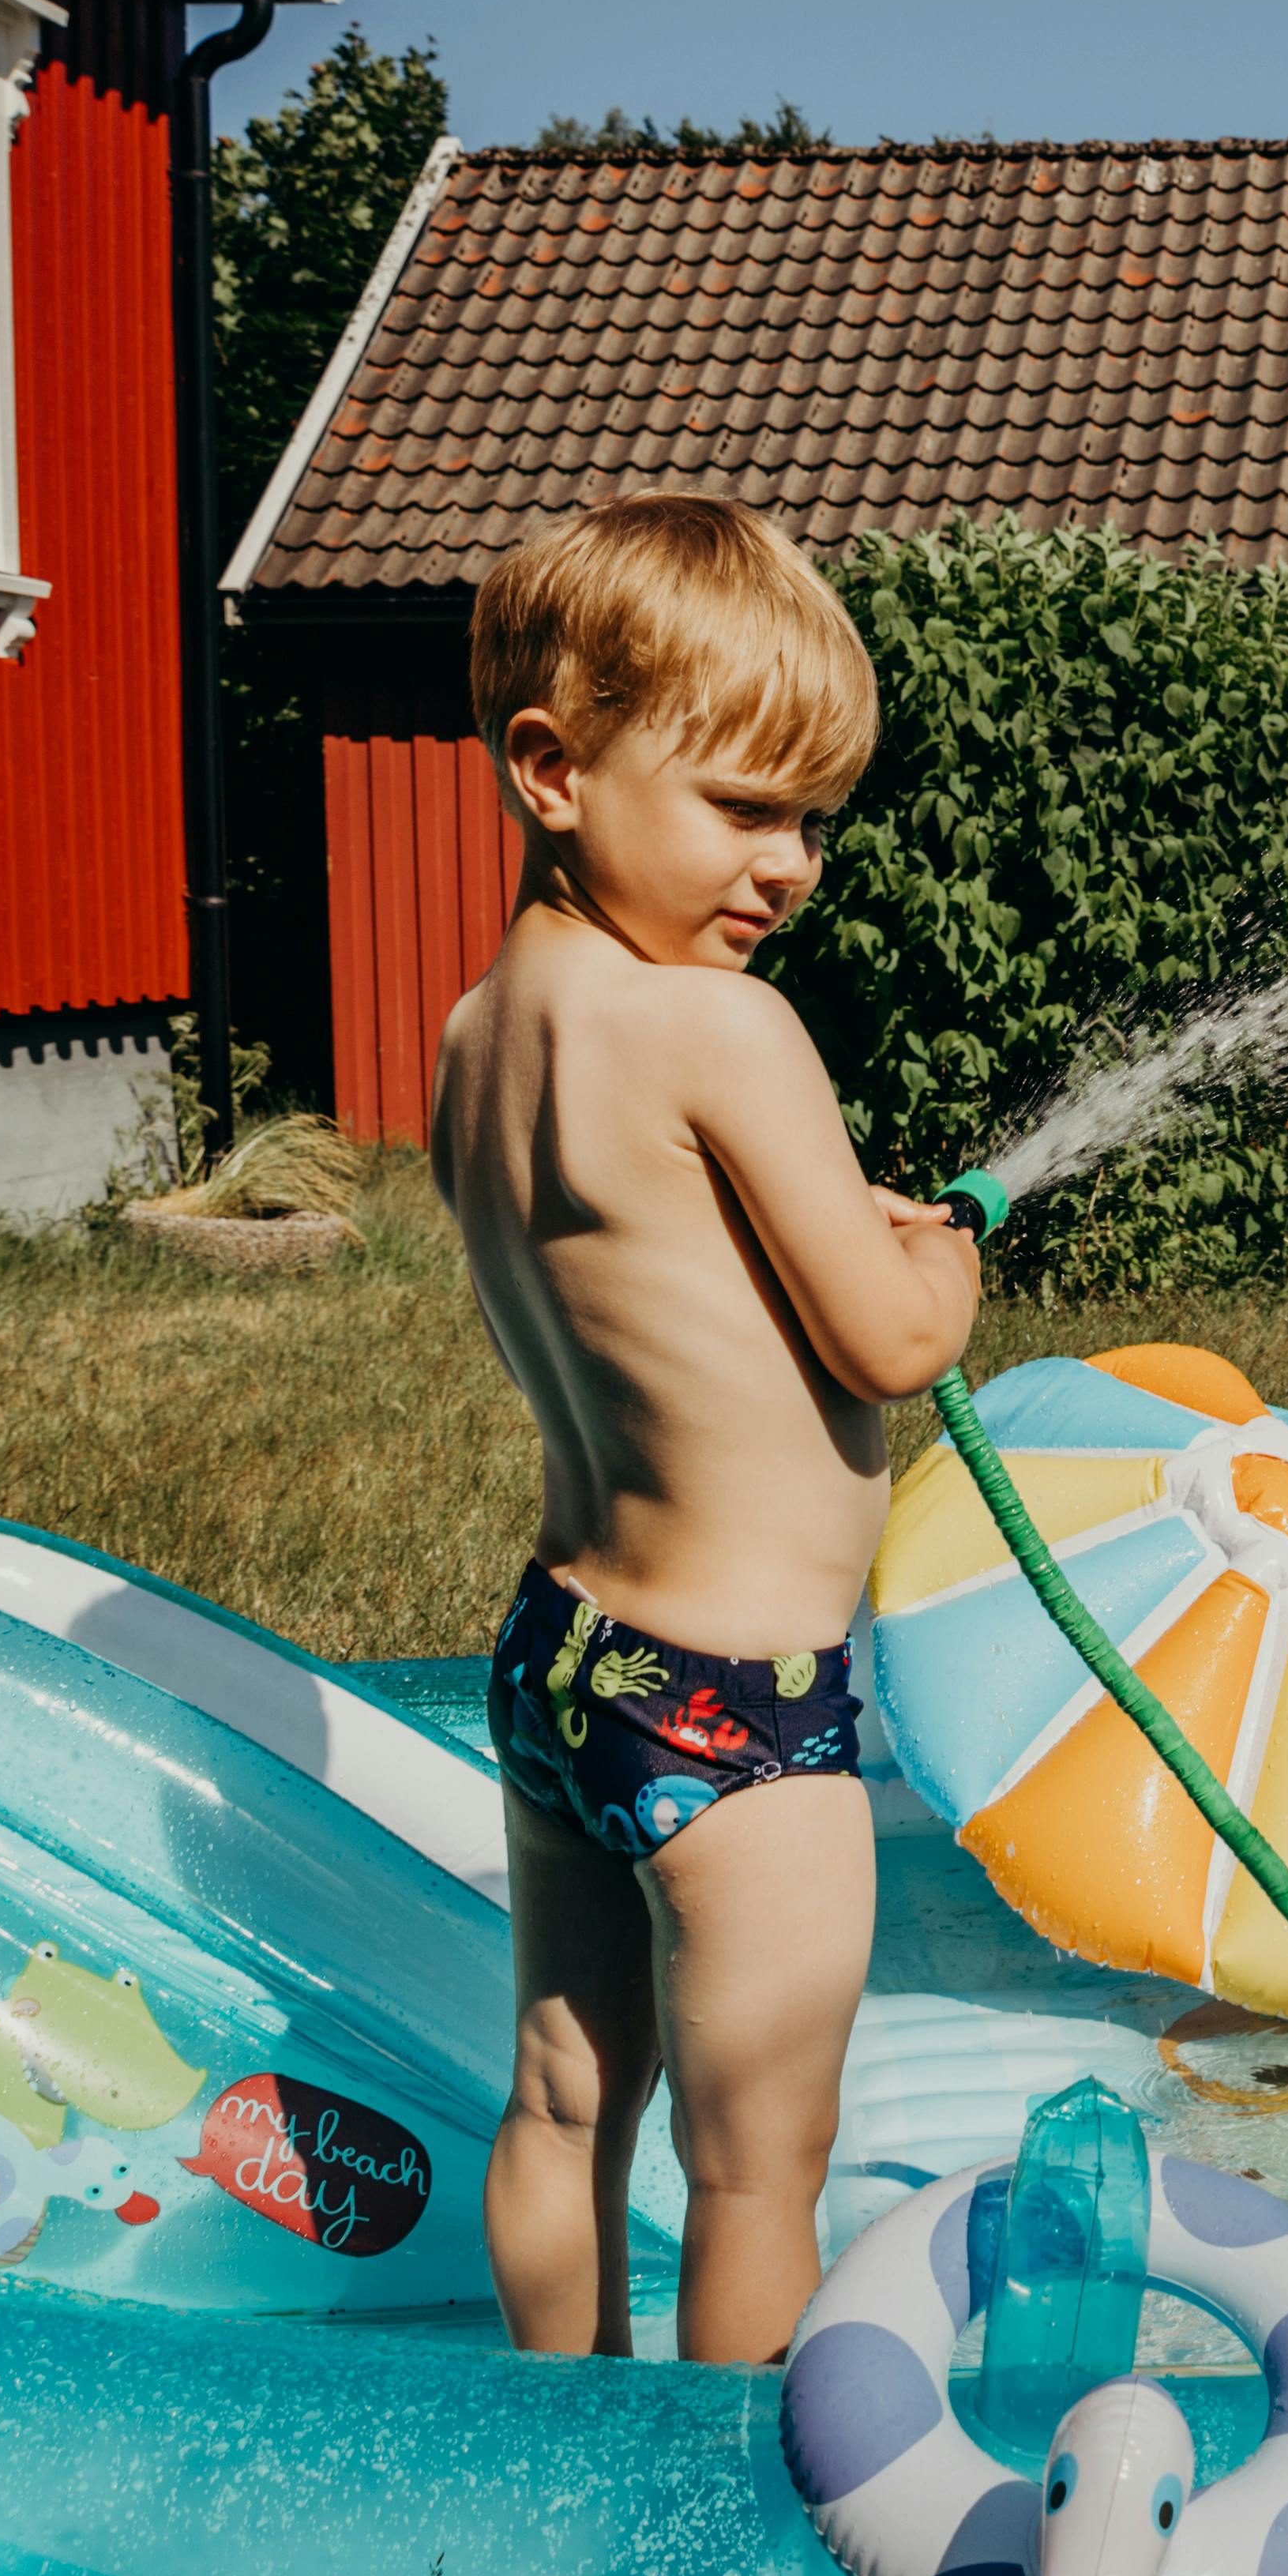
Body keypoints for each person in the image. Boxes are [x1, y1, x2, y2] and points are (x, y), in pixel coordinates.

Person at [431, 494, 982, 2365]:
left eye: (814, 818)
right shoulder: (721, 1029)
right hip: (735, 1696)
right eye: (746, 809)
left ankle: (553, 2447)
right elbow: (891, 1336)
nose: (792, 864)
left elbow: (662, 1284)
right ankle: (722, 2533)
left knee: (567, 2103)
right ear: (554, 769)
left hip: (563, 1656)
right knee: (760, 2166)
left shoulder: (477, 1034)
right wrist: (953, 1249)